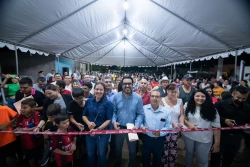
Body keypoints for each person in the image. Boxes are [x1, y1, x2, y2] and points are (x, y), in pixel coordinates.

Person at [210, 86, 250, 167]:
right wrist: (224, 120)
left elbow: (248, 120)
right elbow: (212, 117)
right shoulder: (221, 104)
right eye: (238, 97)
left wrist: (247, 124)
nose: (240, 100)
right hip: (220, 136)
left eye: (244, 98)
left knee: (229, 159)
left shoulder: (247, 107)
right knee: (215, 158)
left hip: (236, 137)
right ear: (233, 94)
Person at [183, 89, 221, 167]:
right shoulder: (187, 105)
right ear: (193, 97)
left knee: (202, 160)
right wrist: (188, 124)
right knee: (189, 155)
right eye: (197, 96)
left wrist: (217, 143)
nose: (200, 98)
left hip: (204, 139)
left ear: (206, 97)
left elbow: (216, 127)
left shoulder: (212, 110)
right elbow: (182, 118)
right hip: (188, 136)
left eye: (203, 96)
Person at [112, 76, 144, 167]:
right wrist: (114, 121)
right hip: (119, 128)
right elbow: (114, 111)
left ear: (133, 85)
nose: (127, 85)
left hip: (132, 129)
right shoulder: (116, 97)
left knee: (132, 151)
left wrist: (137, 125)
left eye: (129, 83)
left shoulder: (138, 98)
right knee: (118, 150)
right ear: (121, 85)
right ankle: (118, 164)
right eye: (125, 83)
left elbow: (140, 114)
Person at [82, 82, 114, 167]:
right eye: (97, 89)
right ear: (94, 89)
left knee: (101, 154)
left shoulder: (108, 104)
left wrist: (98, 129)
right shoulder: (89, 101)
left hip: (102, 132)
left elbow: (108, 120)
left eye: (101, 89)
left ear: (104, 91)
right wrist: (88, 123)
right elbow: (84, 115)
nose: (98, 91)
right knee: (90, 154)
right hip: (90, 132)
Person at [142, 90, 172, 167]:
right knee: (145, 160)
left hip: (159, 140)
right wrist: (141, 127)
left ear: (160, 99)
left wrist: (161, 132)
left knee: (157, 161)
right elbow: (139, 121)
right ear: (150, 97)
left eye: (157, 97)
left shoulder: (166, 112)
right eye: (152, 96)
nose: (154, 98)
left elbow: (168, 126)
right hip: (146, 139)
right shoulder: (144, 109)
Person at [160, 84, 185, 167]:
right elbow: (161, 117)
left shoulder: (180, 101)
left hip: (176, 130)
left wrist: (181, 123)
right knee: (164, 150)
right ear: (167, 91)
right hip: (165, 128)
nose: (174, 94)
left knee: (173, 150)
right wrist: (170, 123)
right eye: (171, 92)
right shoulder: (162, 101)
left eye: (175, 92)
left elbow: (181, 114)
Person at [16, 99, 43, 167]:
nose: (22, 109)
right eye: (21, 107)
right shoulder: (20, 116)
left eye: (25, 108)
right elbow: (18, 128)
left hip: (36, 143)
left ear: (33, 108)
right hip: (25, 144)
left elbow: (37, 127)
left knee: (39, 159)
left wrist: (23, 130)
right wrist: (17, 132)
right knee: (30, 159)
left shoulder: (36, 114)